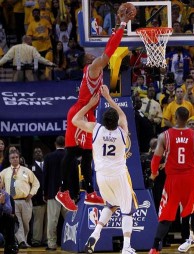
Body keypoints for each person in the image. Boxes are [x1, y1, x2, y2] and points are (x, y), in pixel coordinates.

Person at [55, 7, 136, 211]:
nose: (96, 57)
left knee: (89, 152)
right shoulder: (93, 69)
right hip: (80, 112)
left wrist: (117, 26)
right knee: (72, 152)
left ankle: (90, 191)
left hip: (88, 111)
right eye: (92, 56)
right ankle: (63, 191)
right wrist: (124, 25)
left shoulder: (95, 71)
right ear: (88, 62)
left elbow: (108, 47)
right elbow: (109, 52)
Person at [72, 85, 138, 254]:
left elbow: (75, 120)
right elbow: (123, 115)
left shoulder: (96, 128)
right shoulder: (122, 132)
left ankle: (96, 233)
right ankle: (126, 247)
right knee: (127, 209)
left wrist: (90, 104)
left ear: (103, 120)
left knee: (111, 205)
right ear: (116, 122)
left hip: (101, 177)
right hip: (119, 175)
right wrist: (108, 98)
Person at [148, 107, 194, 254]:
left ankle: (155, 247)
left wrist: (154, 174)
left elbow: (155, 160)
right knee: (193, 212)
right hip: (190, 178)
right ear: (188, 118)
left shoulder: (164, 136)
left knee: (167, 214)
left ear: (175, 116)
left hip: (173, 179)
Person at [43, 136, 68, 251]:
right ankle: (71, 242)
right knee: (70, 220)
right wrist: (76, 193)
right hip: (68, 194)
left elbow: (45, 176)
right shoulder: (70, 156)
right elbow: (74, 176)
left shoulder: (48, 157)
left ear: (55, 144)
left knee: (52, 220)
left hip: (53, 193)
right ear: (65, 144)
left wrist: (45, 192)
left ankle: (52, 244)